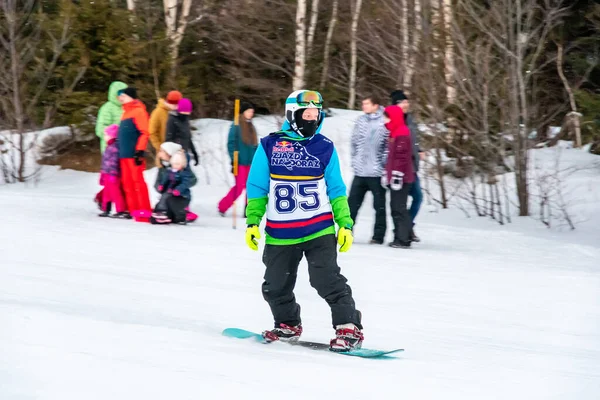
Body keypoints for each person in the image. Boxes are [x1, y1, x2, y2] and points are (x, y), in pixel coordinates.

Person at [244, 90, 363, 352]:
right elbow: (256, 187)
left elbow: (337, 190)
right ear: (292, 115)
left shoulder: (324, 146)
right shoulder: (269, 145)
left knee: (326, 279)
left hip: (318, 229)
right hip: (280, 232)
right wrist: (253, 222)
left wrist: (345, 224)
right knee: (274, 286)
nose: (312, 119)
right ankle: (287, 323)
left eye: (315, 114)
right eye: (306, 114)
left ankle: (348, 327)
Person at [348, 96, 388, 244]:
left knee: (379, 207)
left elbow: (387, 146)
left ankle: (378, 237)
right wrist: (355, 160)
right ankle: (346, 233)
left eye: (367, 103)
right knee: (351, 205)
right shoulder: (361, 120)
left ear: (375, 105)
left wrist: (382, 165)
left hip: (376, 173)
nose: (364, 106)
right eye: (363, 103)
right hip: (360, 172)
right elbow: (353, 142)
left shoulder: (384, 121)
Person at [391, 90, 423, 242]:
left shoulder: (410, 119)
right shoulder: (392, 119)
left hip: (412, 167)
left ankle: (407, 227)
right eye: (403, 102)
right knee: (399, 204)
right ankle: (403, 231)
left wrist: (419, 150)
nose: (406, 104)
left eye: (406, 102)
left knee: (418, 197)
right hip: (399, 169)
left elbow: (415, 138)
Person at [382, 105, 414, 248]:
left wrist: (397, 175)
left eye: (387, 117)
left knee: (399, 208)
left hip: (401, 178)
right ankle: (401, 236)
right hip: (396, 176)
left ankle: (404, 239)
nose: (385, 120)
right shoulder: (393, 132)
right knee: (396, 207)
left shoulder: (401, 132)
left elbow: (401, 156)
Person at [218, 102, 258, 216]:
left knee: (251, 186)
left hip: (251, 162)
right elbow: (231, 143)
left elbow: (255, 144)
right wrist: (233, 158)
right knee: (239, 187)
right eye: (249, 111)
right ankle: (222, 206)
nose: (251, 114)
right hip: (239, 161)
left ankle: (248, 209)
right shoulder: (236, 125)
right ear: (243, 112)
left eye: (252, 112)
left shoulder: (251, 126)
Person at [117, 87, 151, 215]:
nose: (121, 99)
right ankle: (132, 209)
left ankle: (144, 209)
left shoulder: (139, 111)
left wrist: (140, 151)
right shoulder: (125, 112)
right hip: (123, 154)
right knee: (127, 183)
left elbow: (145, 132)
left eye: (123, 96)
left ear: (131, 97)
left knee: (138, 182)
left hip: (134, 154)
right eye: (120, 97)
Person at [94, 81, 127, 208]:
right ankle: (104, 200)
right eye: (119, 94)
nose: (121, 97)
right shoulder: (107, 108)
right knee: (112, 177)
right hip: (110, 149)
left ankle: (106, 198)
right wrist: (112, 135)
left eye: (124, 94)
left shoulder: (126, 107)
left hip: (123, 147)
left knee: (120, 178)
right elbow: (100, 128)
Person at [152, 150, 194, 225]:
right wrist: (162, 185)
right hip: (169, 191)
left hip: (181, 195)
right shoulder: (170, 171)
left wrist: (178, 190)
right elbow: (165, 179)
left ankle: (166, 213)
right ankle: (161, 212)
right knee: (164, 197)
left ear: (183, 164)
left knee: (170, 200)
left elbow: (185, 183)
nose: (175, 166)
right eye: (174, 164)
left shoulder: (185, 173)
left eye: (177, 164)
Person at [98, 124, 127, 218]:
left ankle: (121, 210)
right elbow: (105, 162)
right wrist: (102, 174)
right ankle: (106, 209)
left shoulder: (114, 147)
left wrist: (113, 174)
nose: (105, 137)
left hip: (112, 174)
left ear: (112, 135)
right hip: (106, 173)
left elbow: (114, 162)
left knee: (115, 193)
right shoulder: (109, 146)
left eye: (106, 135)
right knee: (107, 193)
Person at [149, 90, 182, 167]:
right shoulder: (158, 112)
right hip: (165, 155)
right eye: (175, 104)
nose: (176, 106)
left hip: (178, 153)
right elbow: (152, 132)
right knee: (165, 177)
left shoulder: (178, 112)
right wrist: (161, 148)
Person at [165, 98, 199, 166]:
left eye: (188, 112)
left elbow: (188, 137)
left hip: (185, 154)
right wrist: (170, 156)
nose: (187, 114)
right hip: (176, 156)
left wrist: (194, 152)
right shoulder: (172, 120)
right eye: (185, 112)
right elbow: (168, 139)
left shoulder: (185, 120)